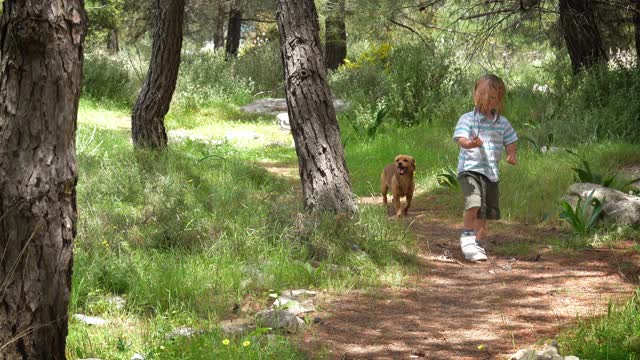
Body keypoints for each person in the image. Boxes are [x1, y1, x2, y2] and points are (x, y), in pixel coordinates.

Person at [452, 74, 518, 261]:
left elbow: (511, 140)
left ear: (499, 100)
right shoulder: (467, 119)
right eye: (481, 94)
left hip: (490, 174)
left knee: (485, 211)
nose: (486, 100)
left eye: (492, 97)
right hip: (469, 170)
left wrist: (511, 154)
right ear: (474, 94)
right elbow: (461, 140)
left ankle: (478, 245)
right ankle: (467, 238)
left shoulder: (502, 123)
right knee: (473, 202)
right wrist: (470, 143)